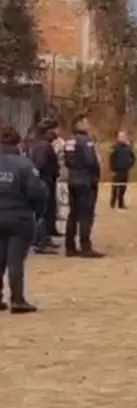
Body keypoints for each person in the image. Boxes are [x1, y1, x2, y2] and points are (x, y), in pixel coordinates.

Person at [0, 124, 46, 313]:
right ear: (18, 144)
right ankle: (17, 300)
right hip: (19, 217)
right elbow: (38, 192)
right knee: (15, 259)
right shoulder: (25, 165)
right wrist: (37, 213)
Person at [63, 113, 103, 258]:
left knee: (73, 214)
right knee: (86, 214)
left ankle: (70, 246)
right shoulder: (85, 141)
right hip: (86, 180)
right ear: (79, 124)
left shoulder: (69, 140)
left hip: (72, 179)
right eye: (86, 122)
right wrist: (96, 174)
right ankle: (86, 246)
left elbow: (67, 161)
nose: (89, 125)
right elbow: (91, 160)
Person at [26, 118, 60, 255]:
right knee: (44, 212)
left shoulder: (37, 144)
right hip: (44, 181)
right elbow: (39, 164)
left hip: (46, 180)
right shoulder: (43, 146)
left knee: (47, 211)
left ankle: (44, 238)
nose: (57, 132)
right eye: (54, 129)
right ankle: (41, 242)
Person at [109, 130, 135, 209]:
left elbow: (133, 157)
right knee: (115, 188)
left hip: (125, 170)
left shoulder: (128, 148)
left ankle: (121, 204)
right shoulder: (115, 147)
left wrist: (130, 165)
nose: (123, 138)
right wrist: (112, 170)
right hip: (117, 170)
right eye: (121, 137)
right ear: (118, 138)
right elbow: (111, 159)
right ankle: (112, 203)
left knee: (123, 188)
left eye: (124, 137)